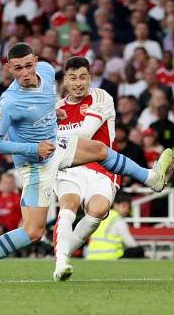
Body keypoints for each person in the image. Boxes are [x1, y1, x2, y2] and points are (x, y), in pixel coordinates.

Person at [0, 43, 173, 286]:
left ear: (36, 61)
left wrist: (52, 115)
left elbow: (42, 107)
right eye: (18, 69)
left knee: (100, 150)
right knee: (33, 231)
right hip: (34, 163)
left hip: (55, 145)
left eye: (28, 65)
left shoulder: (46, 71)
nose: (25, 73)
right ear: (8, 68)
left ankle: (151, 178)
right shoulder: (9, 102)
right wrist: (32, 148)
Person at [52, 57, 120, 281]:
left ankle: (63, 250)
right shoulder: (57, 108)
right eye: (72, 78)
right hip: (70, 167)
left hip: (102, 167)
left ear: (90, 78)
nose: (78, 83)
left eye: (82, 77)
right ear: (65, 81)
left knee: (99, 210)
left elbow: (86, 133)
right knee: (69, 204)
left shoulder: (101, 97)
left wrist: (54, 134)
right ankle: (61, 264)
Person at [85, 192, 143, 260]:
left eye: (128, 207)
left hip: (91, 256)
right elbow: (129, 242)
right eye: (124, 206)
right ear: (115, 205)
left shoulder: (101, 217)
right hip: (111, 256)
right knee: (139, 250)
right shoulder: (118, 220)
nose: (126, 210)